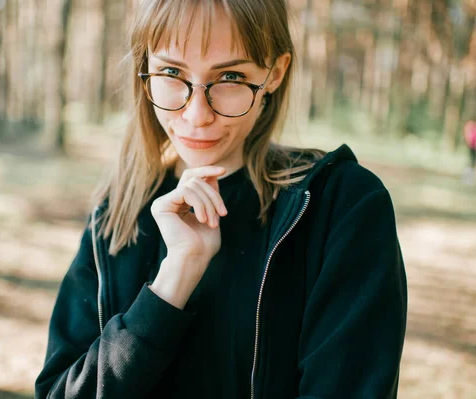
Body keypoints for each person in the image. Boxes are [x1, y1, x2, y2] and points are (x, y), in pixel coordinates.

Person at [35, 0, 408, 398]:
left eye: (230, 76)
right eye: (172, 72)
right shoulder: (114, 217)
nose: (196, 115)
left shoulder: (342, 207)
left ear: (275, 73)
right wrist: (171, 283)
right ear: (145, 73)